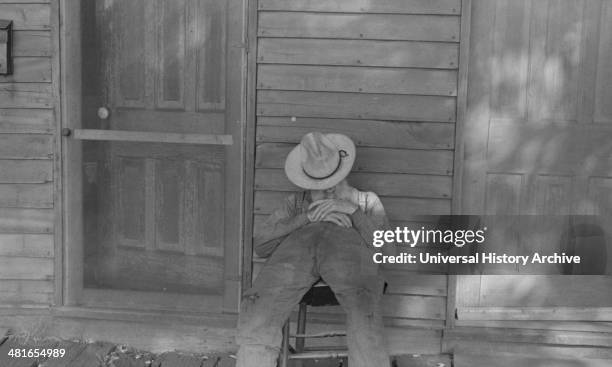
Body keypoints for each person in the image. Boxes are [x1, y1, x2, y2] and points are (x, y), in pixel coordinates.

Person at [236, 132, 391, 367]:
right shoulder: (295, 203)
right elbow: (262, 246)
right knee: (257, 306)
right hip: (294, 266)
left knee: (364, 307)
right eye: (320, 186)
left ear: (344, 173)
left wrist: (353, 212)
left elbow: (389, 252)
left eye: (333, 184)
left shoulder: (366, 201)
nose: (328, 192)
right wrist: (305, 218)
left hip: (349, 269)